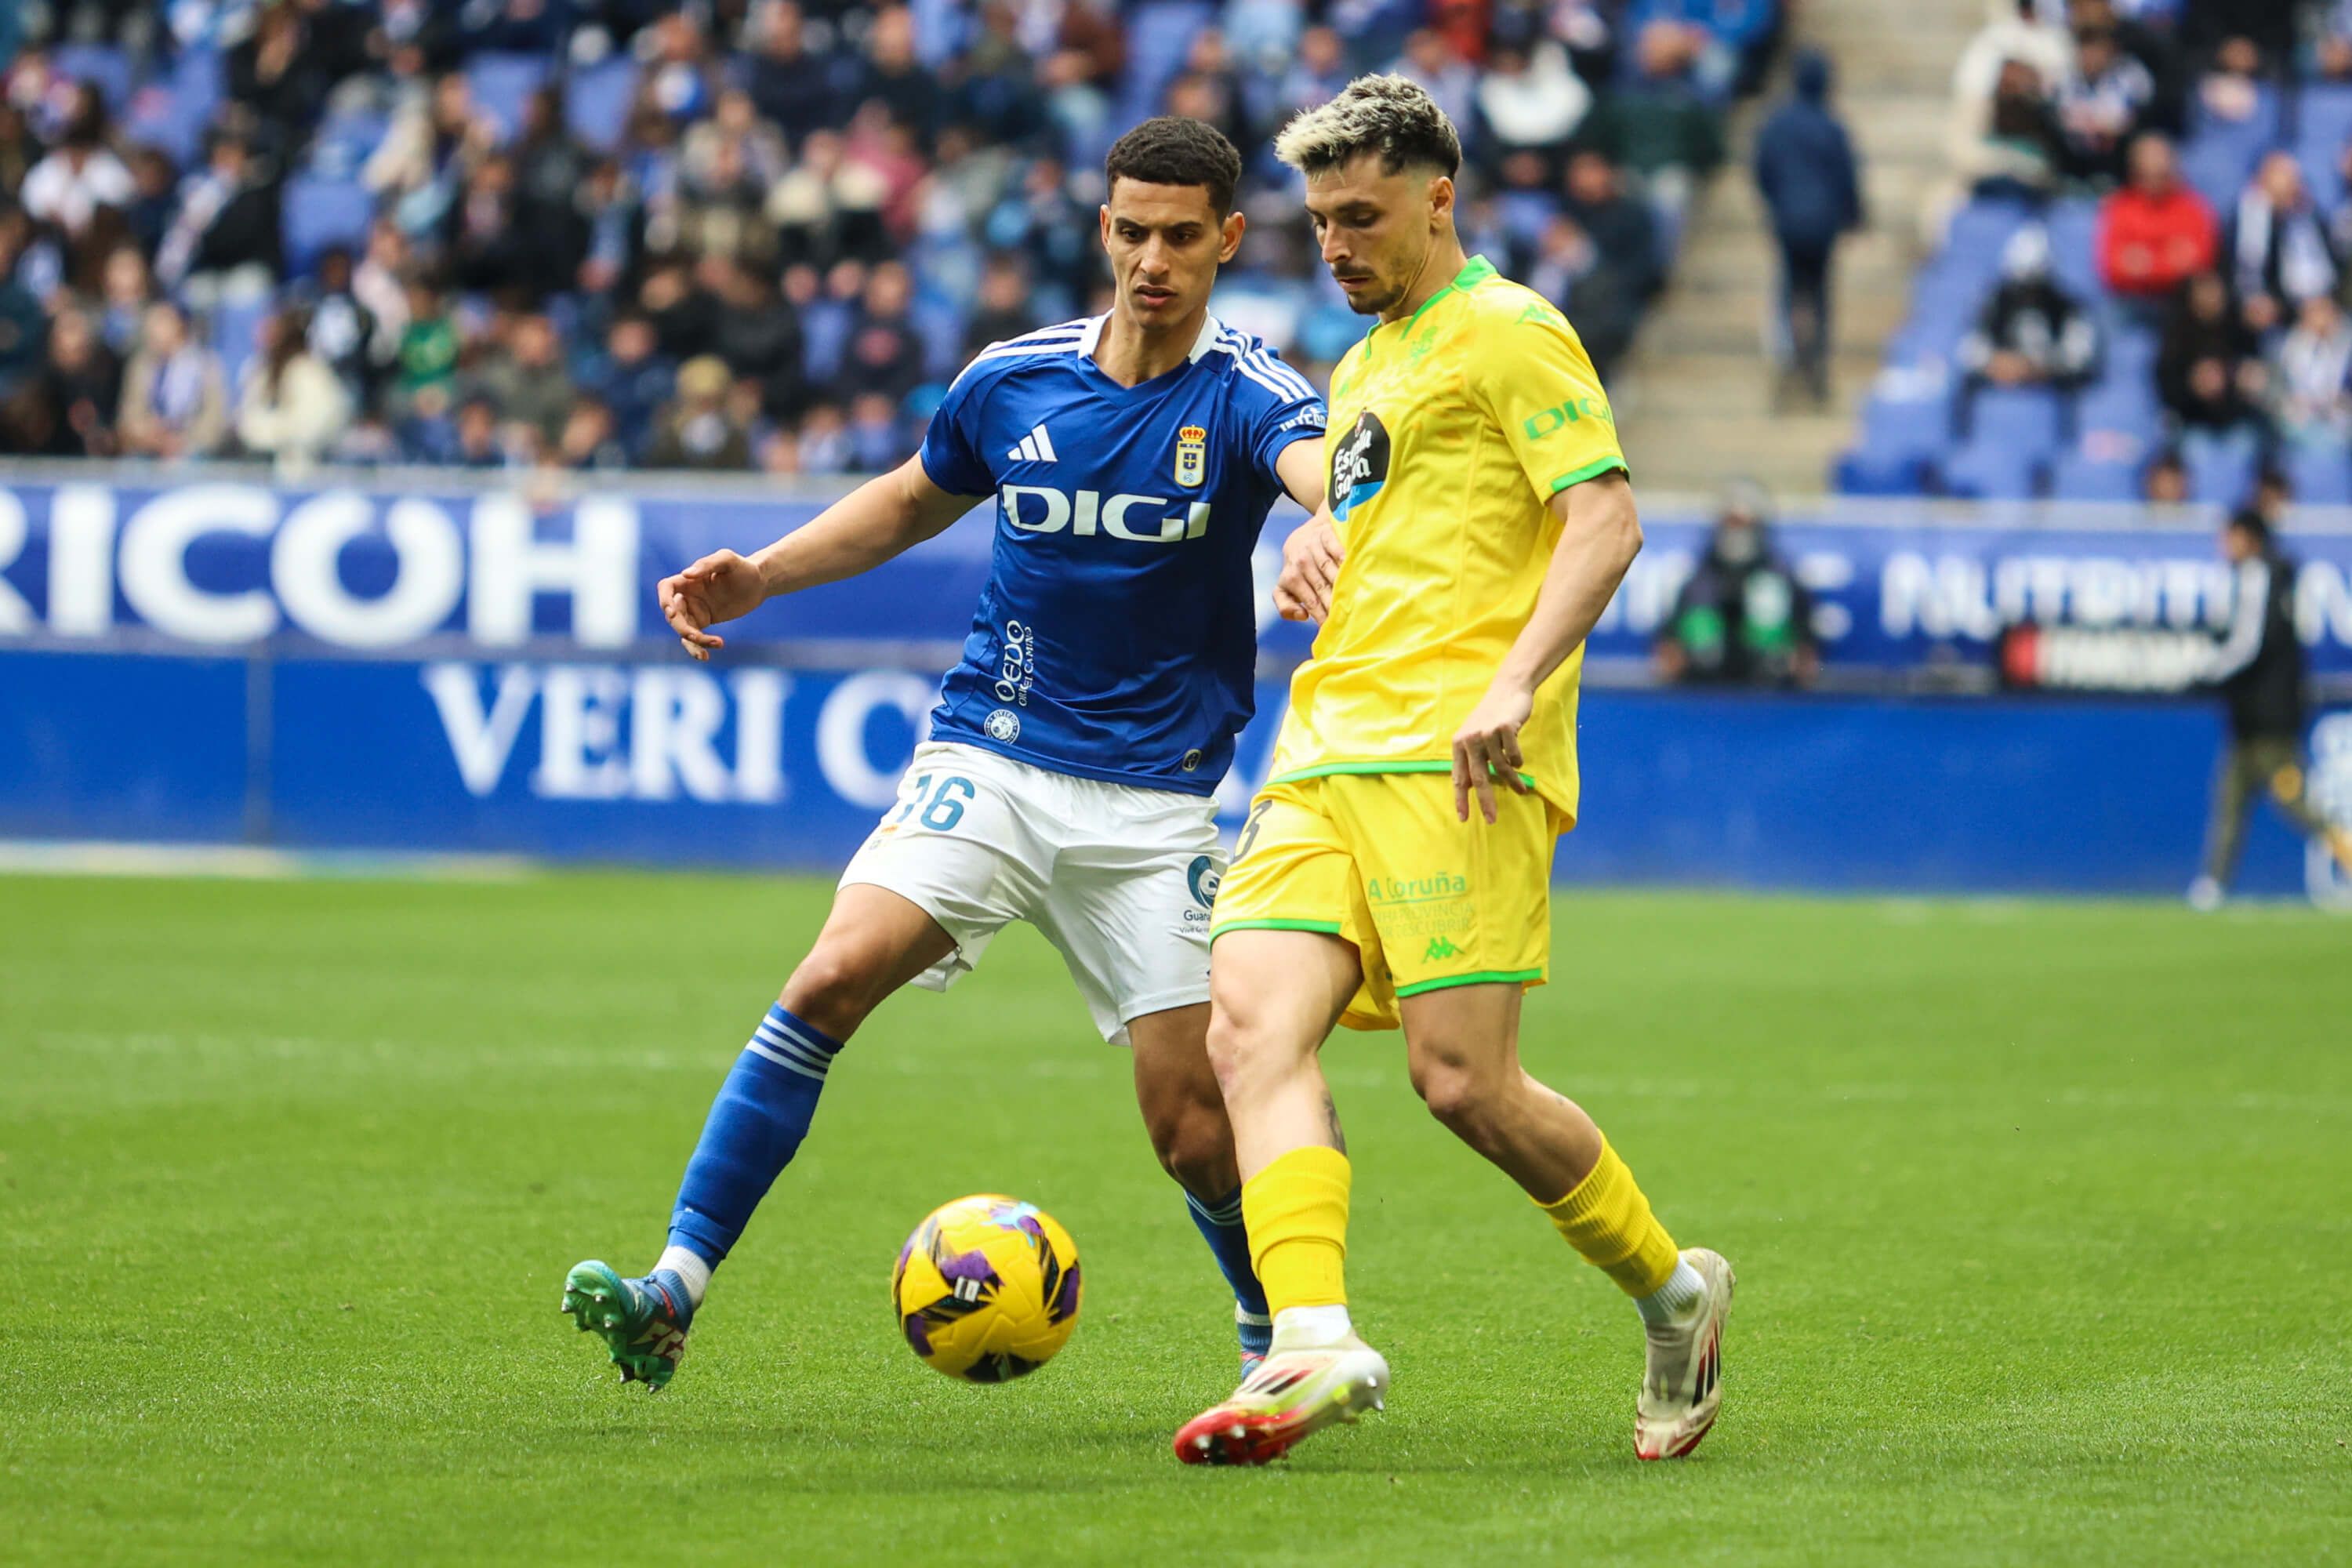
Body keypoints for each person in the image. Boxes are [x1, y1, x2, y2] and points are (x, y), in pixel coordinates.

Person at [561, 118, 1334, 1394]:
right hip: (996, 753)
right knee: (829, 977)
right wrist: (766, 573)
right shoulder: (1013, 378)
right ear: (1103, 228)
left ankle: (1273, 1342)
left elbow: (1330, 473)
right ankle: (672, 1290)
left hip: (1151, 805)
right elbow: (912, 500)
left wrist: (1331, 526)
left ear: (1229, 242)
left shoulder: (1252, 394)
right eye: (1132, 231)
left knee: (1195, 1130)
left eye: (1181, 237)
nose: (1153, 259)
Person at [1174, 75, 1732, 1468]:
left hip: (1460, 754)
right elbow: (1386, 528)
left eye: (1362, 216)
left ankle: (1675, 1294)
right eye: (1319, 223)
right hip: (1324, 743)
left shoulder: (1513, 333)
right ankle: (1310, 1339)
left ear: (1440, 199)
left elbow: (1602, 522)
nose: (1338, 245)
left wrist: (1510, 682)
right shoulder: (1362, 366)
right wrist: (1318, 547)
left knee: (1464, 1085)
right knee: (1246, 1024)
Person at [2190, 510, 2352, 909]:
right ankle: (2212, 884)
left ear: (2250, 538)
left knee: (2294, 802)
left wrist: (2206, 672)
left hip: (2270, 720)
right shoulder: (2273, 576)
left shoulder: (2258, 575)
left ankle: (2347, 850)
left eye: (2231, 537)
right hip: (2250, 718)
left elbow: (2249, 643)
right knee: (2229, 798)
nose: (2224, 546)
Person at [1752, 49, 1863, 406]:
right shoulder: (1830, 125)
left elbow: (1762, 170)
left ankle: (1788, 365)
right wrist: (1853, 216)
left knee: (1788, 293)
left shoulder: (1776, 123)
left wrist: (1774, 206)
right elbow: (1847, 176)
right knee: (1819, 296)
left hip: (1787, 221)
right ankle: (1816, 368)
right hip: (1823, 224)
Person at [1655, 481, 1820, 687]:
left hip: (1770, 699)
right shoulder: (1697, 583)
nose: (1736, 534)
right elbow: (1668, 650)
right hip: (1704, 698)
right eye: (1730, 524)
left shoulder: (1784, 581)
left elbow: (1808, 653)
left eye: (1743, 524)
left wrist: (1797, 664)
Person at [2096, 132, 2216, 306]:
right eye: (2146, 174)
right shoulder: (2119, 207)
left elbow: (2200, 262)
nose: (2153, 181)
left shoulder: (2193, 208)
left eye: (2160, 174)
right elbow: (2112, 267)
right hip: (2131, 302)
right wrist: (2171, 258)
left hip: (2179, 302)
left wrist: (2144, 262)